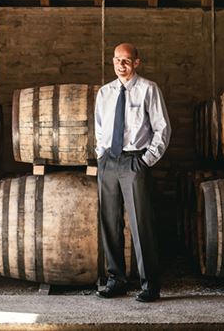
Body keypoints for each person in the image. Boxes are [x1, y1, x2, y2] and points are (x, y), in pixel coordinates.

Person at [94, 43, 171, 303]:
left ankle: (150, 284)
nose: (120, 65)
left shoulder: (149, 89)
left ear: (137, 62)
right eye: (116, 60)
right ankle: (116, 279)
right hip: (108, 163)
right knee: (109, 222)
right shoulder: (104, 93)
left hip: (135, 162)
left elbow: (162, 129)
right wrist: (100, 155)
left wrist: (146, 161)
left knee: (141, 223)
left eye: (126, 60)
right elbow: (100, 128)